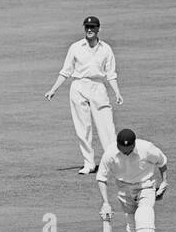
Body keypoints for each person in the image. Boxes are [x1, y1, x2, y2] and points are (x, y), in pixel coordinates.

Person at [45, 16, 123, 174]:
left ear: (98, 29)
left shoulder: (106, 49)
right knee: (83, 127)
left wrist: (117, 92)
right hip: (78, 86)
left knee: (106, 126)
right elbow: (65, 71)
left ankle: (112, 162)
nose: (89, 30)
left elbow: (111, 74)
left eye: (93, 27)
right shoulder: (75, 47)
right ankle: (89, 164)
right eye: (87, 27)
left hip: (98, 87)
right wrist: (53, 89)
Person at [97, 129, 168, 232]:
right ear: (117, 145)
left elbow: (162, 162)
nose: (126, 154)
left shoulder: (147, 149)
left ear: (134, 145)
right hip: (124, 190)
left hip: (145, 186)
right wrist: (105, 203)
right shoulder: (109, 154)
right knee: (132, 226)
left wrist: (164, 182)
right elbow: (101, 178)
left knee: (144, 216)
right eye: (123, 152)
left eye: (129, 151)